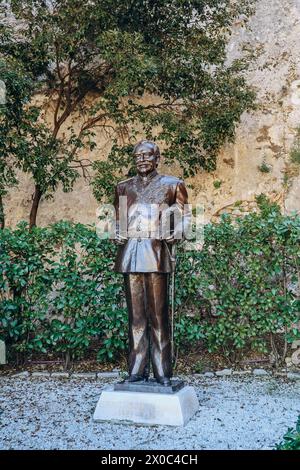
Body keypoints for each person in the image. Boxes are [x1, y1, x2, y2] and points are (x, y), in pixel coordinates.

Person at [113, 140, 189, 386]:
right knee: (135, 318)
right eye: (138, 157)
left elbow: (185, 218)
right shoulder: (123, 187)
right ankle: (136, 370)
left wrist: (176, 231)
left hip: (156, 254)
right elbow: (117, 220)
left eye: (148, 156)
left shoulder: (172, 184)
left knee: (158, 317)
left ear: (157, 158)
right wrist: (116, 230)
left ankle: (162, 372)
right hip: (131, 255)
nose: (142, 160)